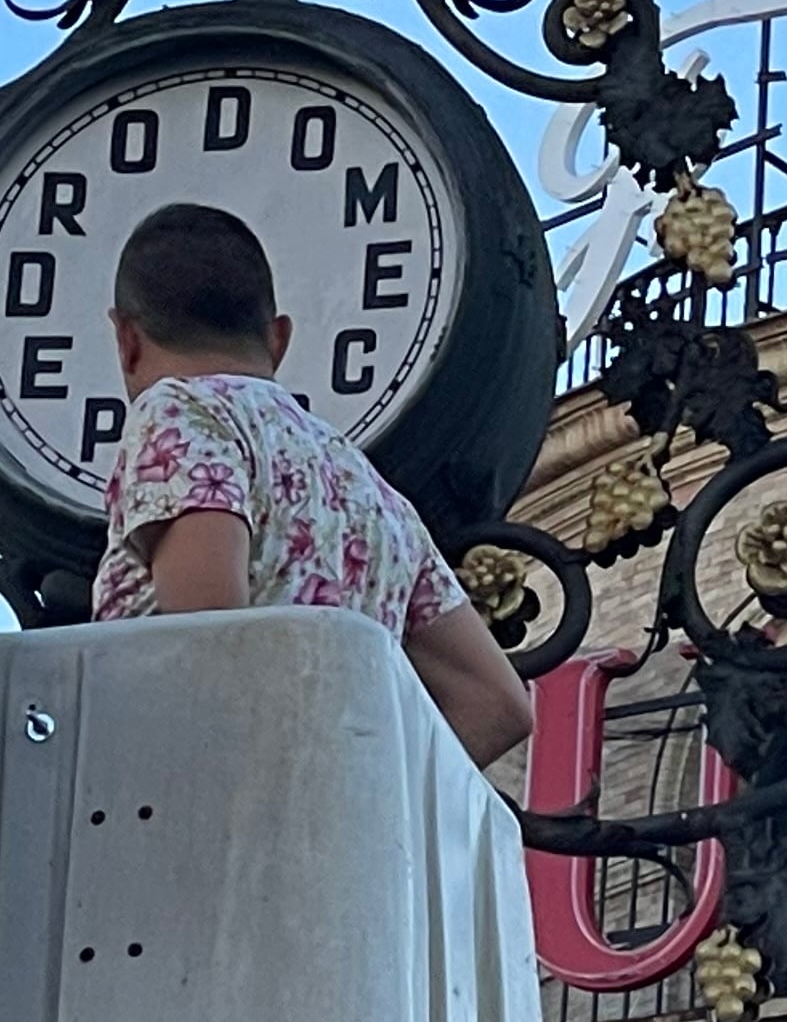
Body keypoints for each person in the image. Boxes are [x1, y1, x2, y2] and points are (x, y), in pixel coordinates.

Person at [94, 200, 535, 766]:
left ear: (127, 339)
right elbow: (497, 704)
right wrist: (365, 795)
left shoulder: (180, 412)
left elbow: (208, 643)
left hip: (188, 822)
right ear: (278, 338)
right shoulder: (371, 491)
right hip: (331, 845)